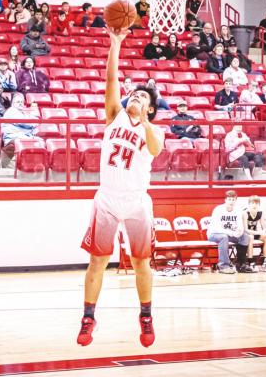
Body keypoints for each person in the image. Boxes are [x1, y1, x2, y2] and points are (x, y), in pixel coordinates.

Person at [77, 26, 164, 349]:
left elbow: (154, 149)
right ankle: (88, 316)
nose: (134, 97)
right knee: (97, 261)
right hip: (108, 199)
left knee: (142, 262)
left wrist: (145, 121)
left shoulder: (154, 130)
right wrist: (115, 44)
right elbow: (111, 82)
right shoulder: (113, 116)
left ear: (150, 108)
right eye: (134, 94)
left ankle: (146, 315)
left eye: (142, 97)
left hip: (138, 201)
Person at [207, 190, 254, 274]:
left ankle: (241, 264)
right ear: (225, 200)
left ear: (236, 200)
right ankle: (223, 266)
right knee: (223, 237)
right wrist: (230, 233)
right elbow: (216, 228)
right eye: (229, 199)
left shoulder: (238, 210)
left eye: (233, 199)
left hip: (229, 234)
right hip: (214, 234)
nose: (231, 201)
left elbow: (240, 225)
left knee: (245, 236)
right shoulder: (218, 209)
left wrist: (239, 231)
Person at [0, 92, 38, 167]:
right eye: (18, 102)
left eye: (21, 102)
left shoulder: (22, 112)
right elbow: (25, 123)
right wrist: (32, 124)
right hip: (13, 137)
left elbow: (34, 121)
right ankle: (26, 165)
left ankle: (33, 165)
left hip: (23, 135)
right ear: (13, 103)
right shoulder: (12, 111)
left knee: (39, 140)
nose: (20, 103)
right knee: (32, 141)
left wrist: (32, 123)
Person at [244, 196, 266, 272]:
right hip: (246, 234)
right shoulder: (245, 213)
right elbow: (245, 230)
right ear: (249, 204)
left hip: (255, 232)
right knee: (250, 237)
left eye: (256, 203)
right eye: (252, 203)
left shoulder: (260, 212)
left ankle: (265, 262)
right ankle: (251, 262)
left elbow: (263, 226)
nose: (254, 205)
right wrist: (259, 232)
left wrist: (265, 230)